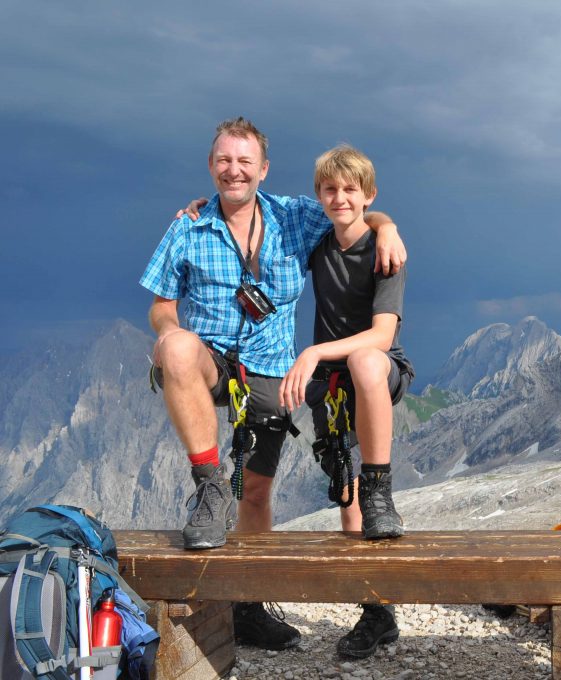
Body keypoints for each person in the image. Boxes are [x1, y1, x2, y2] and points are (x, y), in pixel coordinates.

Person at [140, 117, 406, 650]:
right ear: (211, 166)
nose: (233, 170)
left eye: (244, 162)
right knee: (175, 347)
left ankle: (249, 608)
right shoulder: (187, 227)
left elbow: (350, 210)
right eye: (223, 161)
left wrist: (388, 225)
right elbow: (161, 308)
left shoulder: (294, 216)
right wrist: (174, 339)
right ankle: (210, 487)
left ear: (263, 170)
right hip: (209, 362)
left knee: (259, 491)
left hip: (270, 373)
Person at [278, 144, 413, 659]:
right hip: (330, 388)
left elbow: (380, 336)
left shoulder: (387, 254)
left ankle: (383, 485)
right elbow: (255, 208)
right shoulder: (319, 241)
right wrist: (200, 206)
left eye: (349, 190)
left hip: (378, 370)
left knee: (362, 362)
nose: (339, 198)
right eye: (330, 190)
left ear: (367, 194)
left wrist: (312, 351)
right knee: (347, 500)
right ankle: (377, 614)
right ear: (320, 196)